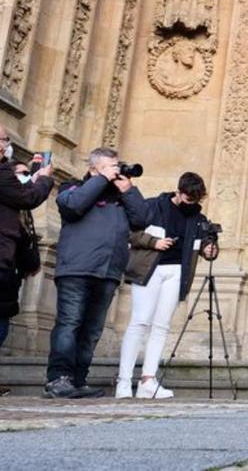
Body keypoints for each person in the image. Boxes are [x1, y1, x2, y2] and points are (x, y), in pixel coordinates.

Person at [46, 148, 148, 398]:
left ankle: (78, 380)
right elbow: (73, 207)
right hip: (77, 269)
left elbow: (143, 219)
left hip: (108, 271)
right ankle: (58, 379)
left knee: (92, 331)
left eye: (117, 166)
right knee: (70, 324)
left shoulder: (120, 197)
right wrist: (100, 180)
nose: (115, 171)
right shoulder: (72, 187)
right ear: (93, 169)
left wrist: (129, 191)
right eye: (109, 167)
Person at [116, 172, 217, 399]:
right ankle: (123, 381)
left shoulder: (198, 218)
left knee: (161, 326)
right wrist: (155, 242)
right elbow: (131, 233)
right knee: (140, 321)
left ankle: (148, 380)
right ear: (179, 192)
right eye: (189, 199)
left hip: (177, 273)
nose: (192, 204)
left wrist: (209, 250)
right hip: (150, 269)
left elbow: (203, 244)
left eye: (197, 201)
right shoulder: (154, 206)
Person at [1, 129, 54, 363]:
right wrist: (43, 179)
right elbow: (27, 198)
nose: (6, 144)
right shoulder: (3, 173)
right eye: (4, 140)